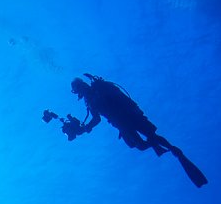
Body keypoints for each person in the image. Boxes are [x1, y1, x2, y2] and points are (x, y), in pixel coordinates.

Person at [44, 75, 208, 187]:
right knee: (145, 143)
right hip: (124, 121)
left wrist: (87, 127)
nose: (78, 93)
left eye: (77, 90)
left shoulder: (97, 90)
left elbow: (98, 117)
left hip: (127, 118)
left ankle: (172, 150)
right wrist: (86, 128)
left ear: (80, 88)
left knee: (148, 140)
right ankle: (171, 149)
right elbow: (97, 119)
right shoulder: (91, 99)